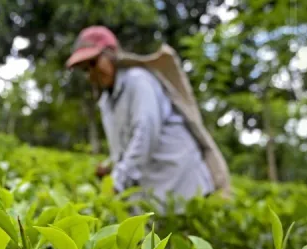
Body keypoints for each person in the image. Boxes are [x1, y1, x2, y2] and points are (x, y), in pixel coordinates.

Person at [65, 26, 232, 209]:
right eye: (85, 69)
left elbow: (145, 134)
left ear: (111, 55)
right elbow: (123, 147)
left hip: (184, 183)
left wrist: (117, 181)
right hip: (157, 190)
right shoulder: (106, 101)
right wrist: (110, 166)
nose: (91, 73)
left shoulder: (138, 81)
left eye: (94, 63)